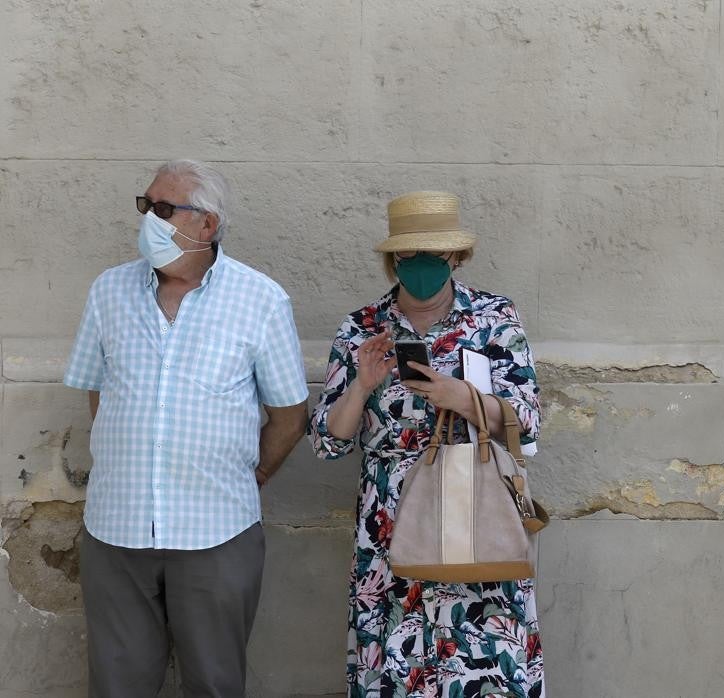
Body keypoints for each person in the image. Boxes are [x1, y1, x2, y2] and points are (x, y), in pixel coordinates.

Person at [63, 159, 309, 697]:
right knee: (116, 685)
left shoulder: (260, 299)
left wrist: (255, 472)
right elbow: (96, 389)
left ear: (207, 224)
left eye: (164, 208)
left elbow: (290, 415)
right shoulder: (109, 291)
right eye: (146, 205)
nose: (149, 218)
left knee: (214, 683)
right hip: (116, 530)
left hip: (216, 531)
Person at [309, 191, 543, 697]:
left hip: (476, 509)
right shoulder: (361, 327)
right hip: (390, 521)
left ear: (455, 258)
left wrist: (462, 397)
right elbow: (328, 444)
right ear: (393, 261)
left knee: (482, 665)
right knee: (395, 665)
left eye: (433, 257)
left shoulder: (493, 318)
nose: (419, 268)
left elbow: (528, 420)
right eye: (408, 257)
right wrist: (362, 385)